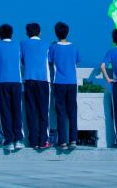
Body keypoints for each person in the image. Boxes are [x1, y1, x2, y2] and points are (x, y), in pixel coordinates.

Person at [48, 21, 80, 150]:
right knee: (72, 111)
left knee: (60, 112)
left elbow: (50, 62)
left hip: (59, 82)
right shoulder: (74, 48)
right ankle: (73, 140)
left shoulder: (53, 48)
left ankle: (62, 142)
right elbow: (76, 62)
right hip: (72, 82)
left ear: (56, 33)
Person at [20, 22, 51, 150]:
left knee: (31, 111)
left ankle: (33, 141)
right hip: (43, 81)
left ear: (27, 33)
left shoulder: (23, 44)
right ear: (40, 32)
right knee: (43, 111)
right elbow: (49, 61)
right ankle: (43, 141)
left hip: (29, 80)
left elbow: (22, 60)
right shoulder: (46, 44)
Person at [0, 24, 23, 152]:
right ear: (12, 34)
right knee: (17, 110)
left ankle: (9, 140)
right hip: (17, 81)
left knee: (5, 111)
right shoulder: (18, 45)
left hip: (3, 80)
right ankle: (18, 139)